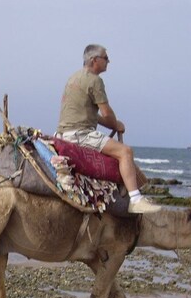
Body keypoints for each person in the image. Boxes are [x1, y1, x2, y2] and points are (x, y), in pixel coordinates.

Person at [57, 44, 160, 214]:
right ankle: (135, 199)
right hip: (80, 135)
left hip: (63, 133)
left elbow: (91, 115)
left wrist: (113, 123)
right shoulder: (95, 80)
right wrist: (115, 124)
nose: (108, 61)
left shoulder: (73, 78)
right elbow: (106, 112)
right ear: (94, 60)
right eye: (105, 58)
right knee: (125, 152)